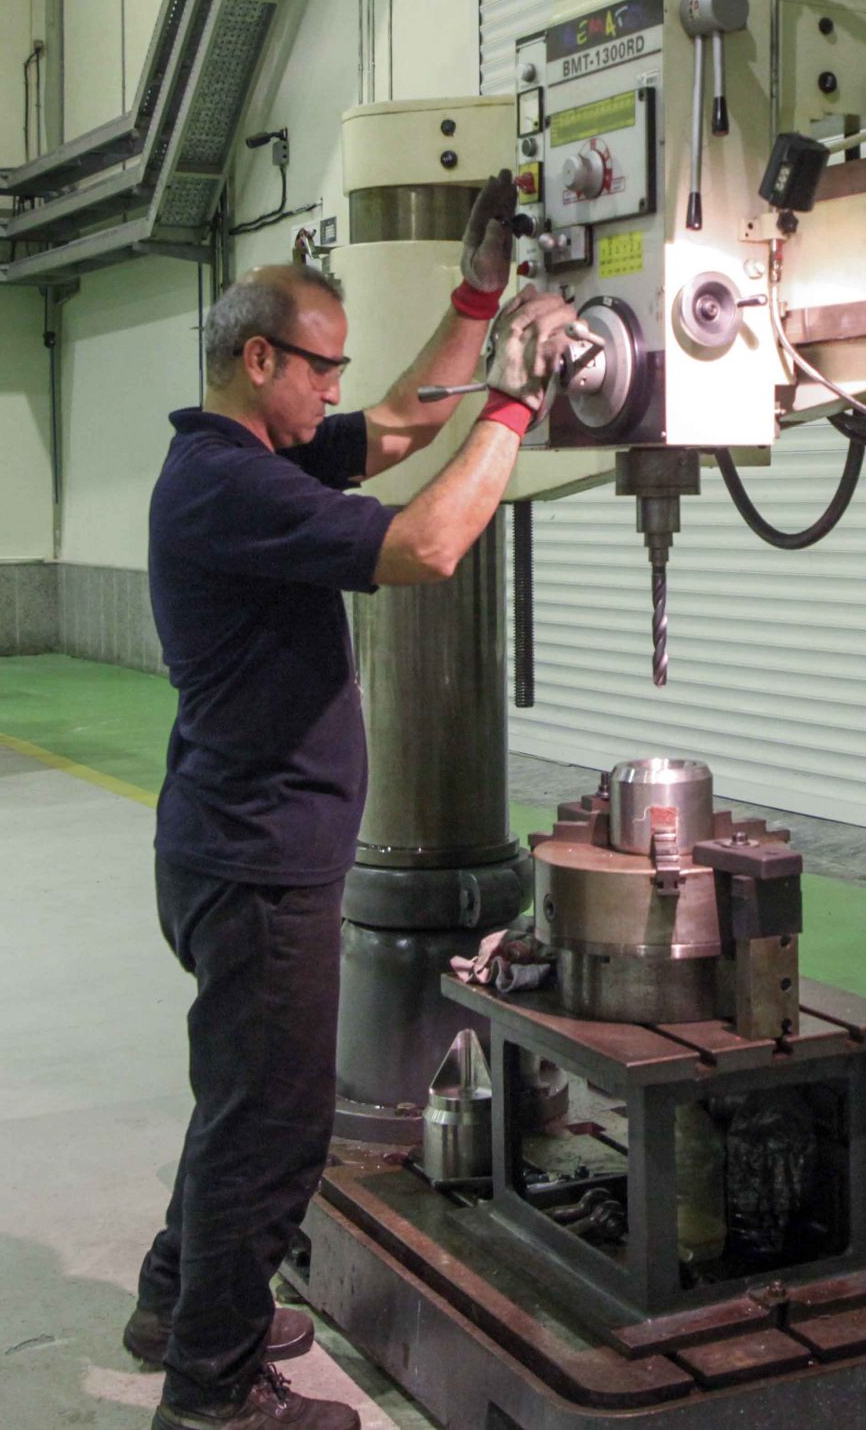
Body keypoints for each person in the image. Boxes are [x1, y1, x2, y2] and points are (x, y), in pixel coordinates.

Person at [130, 174, 573, 1430]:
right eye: (320, 365)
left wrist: (476, 300)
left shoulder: (245, 454)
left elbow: (392, 429)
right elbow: (426, 544)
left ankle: (178, 1304)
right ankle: (212, 1393)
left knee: (241, 1105)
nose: (336, 386)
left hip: (236, 844)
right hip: (258, 860)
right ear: (259, 358)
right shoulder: (231, 487)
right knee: (274, 1130)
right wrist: (515, 400)